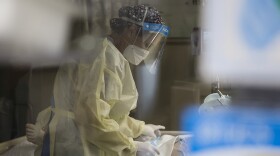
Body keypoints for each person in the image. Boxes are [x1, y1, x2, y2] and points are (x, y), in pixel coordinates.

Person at [32, 4, 169, 156]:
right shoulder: (105, 58)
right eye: (147, 44)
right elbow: (94, 120)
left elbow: (111, 115)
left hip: (80, 138)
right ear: (131, 32)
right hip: (74, 142)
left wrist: (139, 128)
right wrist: (131, 147)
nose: (146, 51)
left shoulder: (110, 52)